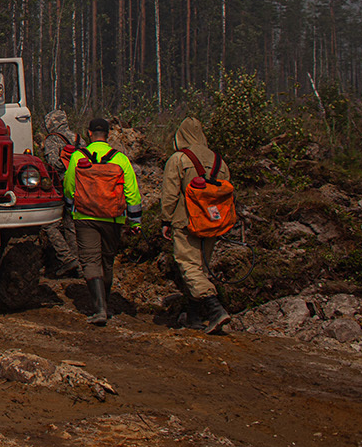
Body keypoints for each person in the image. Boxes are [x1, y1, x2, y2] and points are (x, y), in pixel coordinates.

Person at [64, 117, 142, 325]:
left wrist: (72, 208)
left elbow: (69, 187)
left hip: (85, 217)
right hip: (113, 218)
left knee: (90, 261)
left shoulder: (78, 156)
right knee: (107, 261)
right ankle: (105, 304)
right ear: (108, 134)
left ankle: (99, 309)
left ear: (89, 133)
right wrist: (135, 222)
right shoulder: (120, 159)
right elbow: (132, 193)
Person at [160, 117, 232, 334]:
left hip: (186, 221)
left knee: (188, 266)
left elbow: (170, 193)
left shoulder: (179, 158)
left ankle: (215, 309)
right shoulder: (219, 161)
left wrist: (166, 219)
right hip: (212, 223)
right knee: (201, 268)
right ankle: (194, 317)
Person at [41, 110, 82, 278]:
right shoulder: (79, 138)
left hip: (62, 187)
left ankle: (66, 258)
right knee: (72, 224)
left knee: (48, 224)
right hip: (81, 187)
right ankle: (78, 266)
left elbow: (53, 163)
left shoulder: (53, 139)